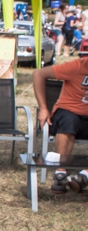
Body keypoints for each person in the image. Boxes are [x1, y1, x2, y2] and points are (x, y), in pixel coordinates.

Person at [33, 57, 88, 192]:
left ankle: (84, 176)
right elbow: (38, 74)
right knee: (70, 120)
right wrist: (44, 108)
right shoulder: (76, 66)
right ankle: (60, 173)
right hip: (67, 113)